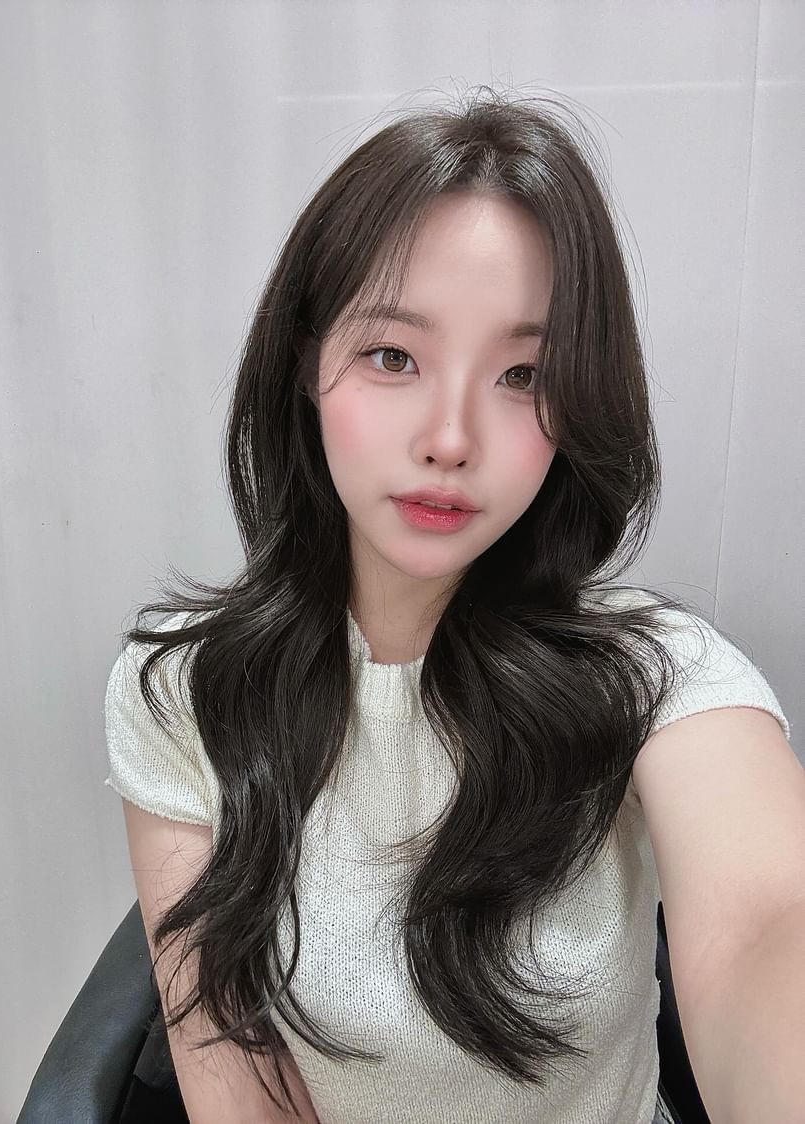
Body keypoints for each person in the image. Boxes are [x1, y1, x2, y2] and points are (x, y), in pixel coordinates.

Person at [103, 87, 802, 1124]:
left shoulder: (659, 678)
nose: (450, 439)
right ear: (307, 365)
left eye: (523, 374)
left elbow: (765, 933)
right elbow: (233, 1075)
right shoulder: (180, 690)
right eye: (393, 356)